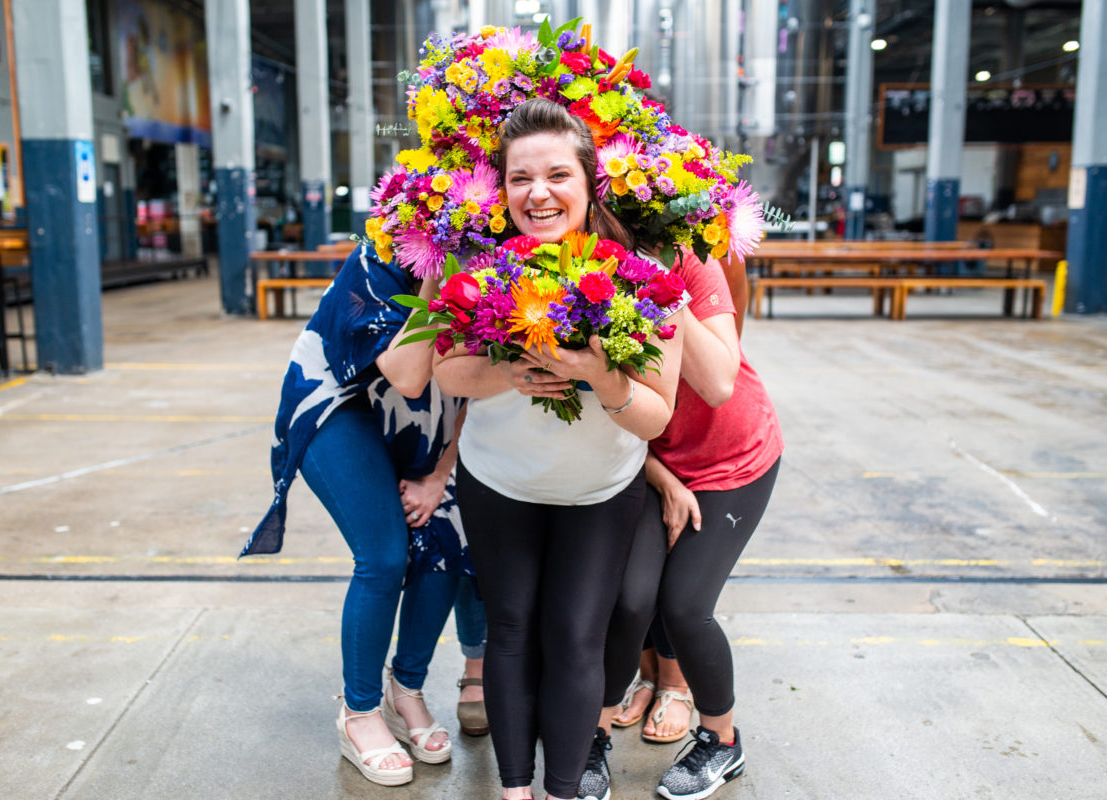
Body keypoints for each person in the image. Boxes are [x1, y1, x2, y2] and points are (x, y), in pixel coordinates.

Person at [433, 97, 685, 800]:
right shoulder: (481, 275)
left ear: (589, 183)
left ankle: (563, 790)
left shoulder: (644, 283)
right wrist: (508, 371)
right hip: (498, 481)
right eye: (518, 178)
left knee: (577, 637)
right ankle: (516, 791)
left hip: (597, 490)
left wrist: (598, 373)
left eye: (555, 175)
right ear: (502, 189)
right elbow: (447, 372)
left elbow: (656, 417)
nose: (537, 193)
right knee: (510, 630)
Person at [242, 243, 487, 787]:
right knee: (383, 556)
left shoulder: (510, 263)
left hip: (424, 416)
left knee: (448, 530)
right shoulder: (382, 256)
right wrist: (438, 269)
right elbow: (407, 374)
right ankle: (358, 713)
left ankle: (407, 691)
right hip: (339, 400)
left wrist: (437, 475)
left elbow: (477, 389)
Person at [577, 250, 783, 800]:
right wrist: (665, 481)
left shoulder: (691, 261)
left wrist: (660, 280)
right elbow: (599, 403)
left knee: (686, 605)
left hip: (732, 460)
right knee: (629, 598)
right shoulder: (575, 267)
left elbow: (718, 383)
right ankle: (591, 738)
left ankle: (722, 740)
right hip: (649, 461)